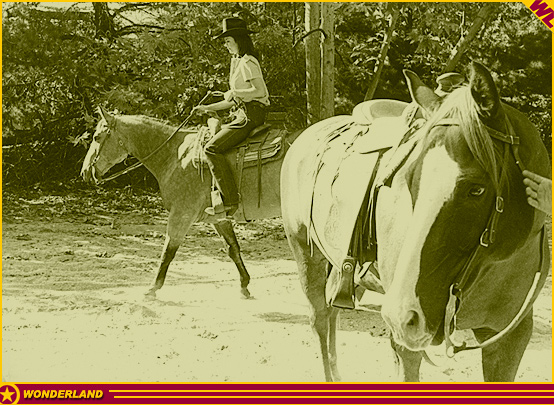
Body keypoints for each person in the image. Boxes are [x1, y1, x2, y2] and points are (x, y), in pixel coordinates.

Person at [194, 17, 270, 217]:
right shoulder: (237, 62)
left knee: (211, 148)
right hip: (243, 112)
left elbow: (259, 90)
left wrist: (236, 94)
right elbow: (233, 100)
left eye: (228, 41)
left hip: (250, 116)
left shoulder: (248, 61)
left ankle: (230, 200)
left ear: (239, 40)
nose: (226, 45)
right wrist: (206, 107)